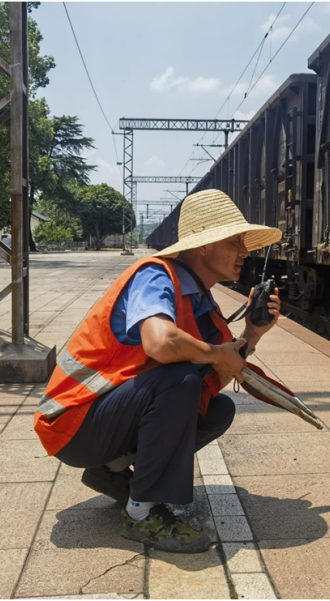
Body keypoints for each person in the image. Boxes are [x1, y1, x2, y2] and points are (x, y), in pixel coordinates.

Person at [34, 189, 282, 553]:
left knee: (217, 409)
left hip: (102, 419)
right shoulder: (156, 277)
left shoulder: (201, 301)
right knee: (178, 380)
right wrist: (215, 352)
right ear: (204, 245)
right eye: (234, 241)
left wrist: (252, 333)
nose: (244, 251)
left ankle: (112, 470)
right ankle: (140, 515)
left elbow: (217, 376)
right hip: (72, 422)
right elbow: (161, 344)